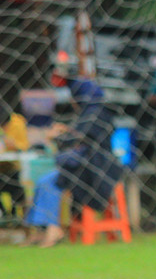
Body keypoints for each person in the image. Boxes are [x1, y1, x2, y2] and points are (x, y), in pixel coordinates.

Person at [22, 78, 123, 247]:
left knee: (48, 182)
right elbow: (80, 137)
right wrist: (66, 132)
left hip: (92, 169)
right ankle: (40, 230)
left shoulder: (95, 113)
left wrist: (59, 135)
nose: (73, 101)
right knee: (42, 181)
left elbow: (83, 139)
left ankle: (53, 228)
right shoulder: (92, 112)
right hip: (81, 167)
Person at [1, 100, 29, 219]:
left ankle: (23, 219)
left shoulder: (18, 123)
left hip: (12, 167)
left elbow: (25, 147)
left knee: (18, 192)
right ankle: (5, 214)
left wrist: (15, 146)